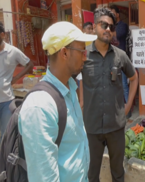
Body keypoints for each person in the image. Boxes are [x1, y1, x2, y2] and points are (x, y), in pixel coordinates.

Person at [18, 21, 96, 182]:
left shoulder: (70, 89)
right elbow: (43, 177)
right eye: (81, 51)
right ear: (65, 53)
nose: (85, 57)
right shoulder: (40, 106)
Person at [82, 7, 138, 182]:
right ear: (94, 26)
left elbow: (134, 78)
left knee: (117, 172)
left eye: (111, 27)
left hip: (116, 127)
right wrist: (80, 105)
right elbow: (74, 81)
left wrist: (127, 107)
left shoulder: (120, 56)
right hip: (92, 127)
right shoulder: (84, 56)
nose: (108, 29)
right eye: (103, 25)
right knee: (92, 173)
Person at [0, 21, 33, 142]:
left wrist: (15, 78)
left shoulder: (12, 51)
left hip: (6, 101)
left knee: (7, 136)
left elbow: (29, 64)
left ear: (2, 34)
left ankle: (5, 160)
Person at [110, 5, 130, 104]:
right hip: (112, 59)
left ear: (117, 14)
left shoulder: (123, 25)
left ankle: (128, 110)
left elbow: (115, 36)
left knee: (123, 85)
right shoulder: (110, 27)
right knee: (113, 84)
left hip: (121, 60)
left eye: (113, 13)